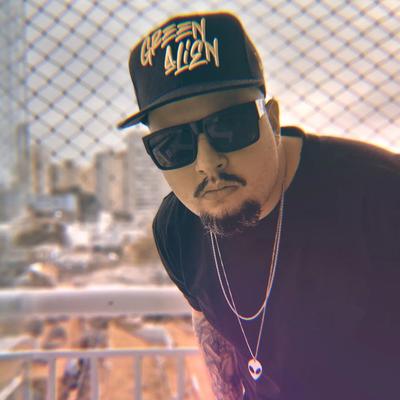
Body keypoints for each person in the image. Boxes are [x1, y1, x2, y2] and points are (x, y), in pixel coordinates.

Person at [118, 12, 400, 400]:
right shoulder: (176, 230)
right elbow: (216, 338)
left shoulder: (382, 196)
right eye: (173, 144)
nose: (207, 163)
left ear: (273, 120)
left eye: (228, 127)